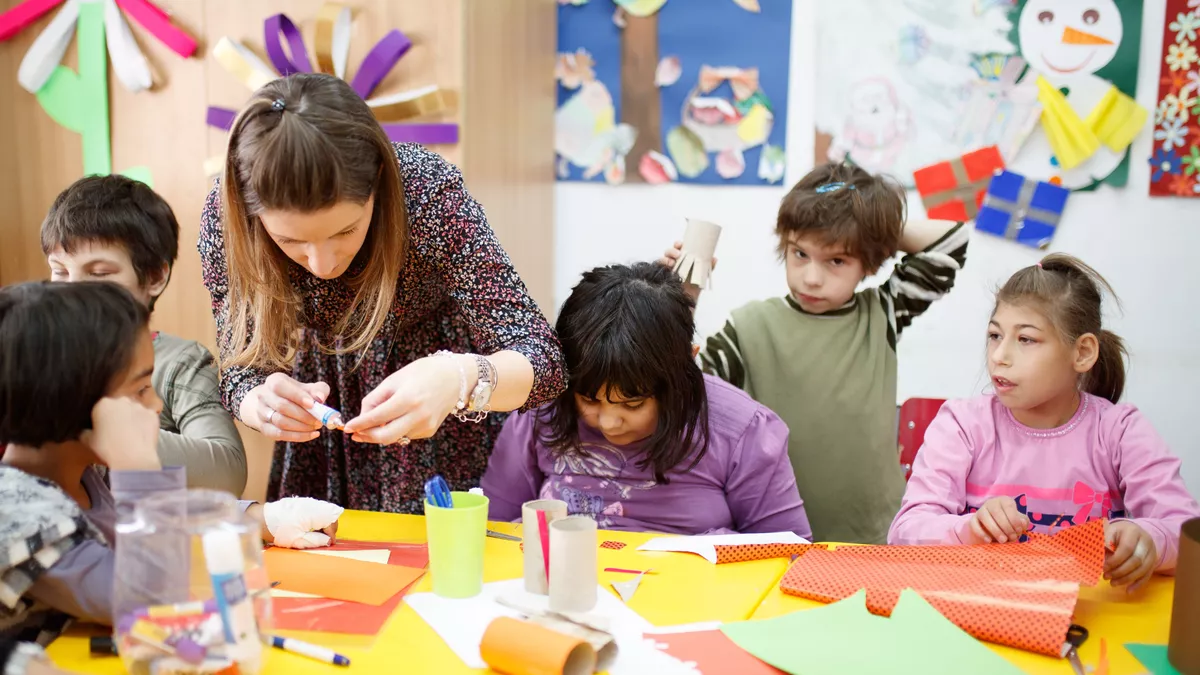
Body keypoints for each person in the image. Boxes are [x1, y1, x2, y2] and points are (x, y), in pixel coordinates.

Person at [200, 73, 565, 513]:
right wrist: (257, 400)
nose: (322, 264)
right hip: (327, 430)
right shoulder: (228, 219)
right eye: (290, 242)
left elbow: (544, 360)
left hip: (445, 410)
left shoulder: (427, 193)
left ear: (378, 181)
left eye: (346, 230)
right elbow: (240, 371)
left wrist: (457, 379)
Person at [0, 282, 340, 643]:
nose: (158, 405)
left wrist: (263, 519)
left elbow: (175, 516)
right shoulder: (17, 510)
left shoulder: (87, 473)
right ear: (71, 405)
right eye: (141, 390)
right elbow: (149, 599)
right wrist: (138, 468)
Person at [662, 163, 969, 544]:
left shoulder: (882, 314)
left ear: (868, 263)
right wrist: (681, 299)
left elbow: (953, 243)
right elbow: (679, 388)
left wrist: (869, 220)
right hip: (773, 533)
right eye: (800, 253)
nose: (811, 276)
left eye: (836, 260)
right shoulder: (749, 328)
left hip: (874, 535)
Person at [889, 255, 1200, 591]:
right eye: (995, 335)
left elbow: (1185, 531)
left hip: (1090, 621)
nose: (998, 356)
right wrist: (970, 529)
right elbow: (906, 532)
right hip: (982, 612)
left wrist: (1148, 540)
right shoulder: (962, 425)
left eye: (1026, 339)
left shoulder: (1121, 431)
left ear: (1081, 353)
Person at [481, 263, 811, 537]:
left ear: (686, 367)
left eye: (633, 404)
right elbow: (493, 530)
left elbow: (787, 552)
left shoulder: (744, 430)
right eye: (588, 400)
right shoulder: (543, 408)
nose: (609, 423)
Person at [41, 175, 246, 495]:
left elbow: (228, 473)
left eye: (98, 274)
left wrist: (101, 427)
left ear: (154, 276)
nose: (73, 292)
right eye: (60, 271)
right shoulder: (33, 356)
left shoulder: (180, 362)